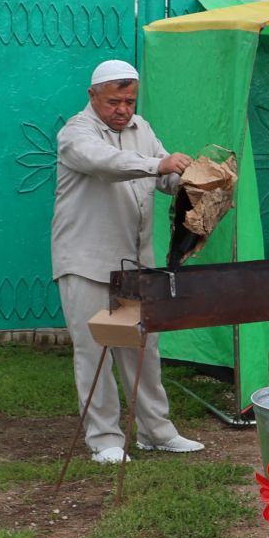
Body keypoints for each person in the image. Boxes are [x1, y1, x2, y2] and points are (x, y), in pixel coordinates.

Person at [52, 60, 203, 464]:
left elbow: (164, 178)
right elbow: (107, 164)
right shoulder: (75, 133)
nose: (122, 109)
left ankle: (157, 431)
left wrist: (194, 177)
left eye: (129, 101)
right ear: (92, 96)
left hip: (133, 263)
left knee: (141, 348)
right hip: (84, 261)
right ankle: (104, 440)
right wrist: (159, 164)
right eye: (114, 101)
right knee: (93, 348)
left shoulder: (142, 129)